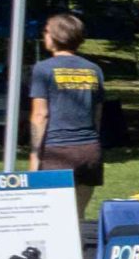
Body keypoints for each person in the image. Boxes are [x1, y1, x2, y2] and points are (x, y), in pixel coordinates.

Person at [27, 14, 107, 215]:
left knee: (54, 217)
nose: (44, 35)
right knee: (77, 216)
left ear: (54, 36)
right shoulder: (93, 69)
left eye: (46, 30)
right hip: (90, 150)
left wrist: (35, 155)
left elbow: (40, 115)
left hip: (57, 151)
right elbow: (97, 113)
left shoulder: (43, 69)